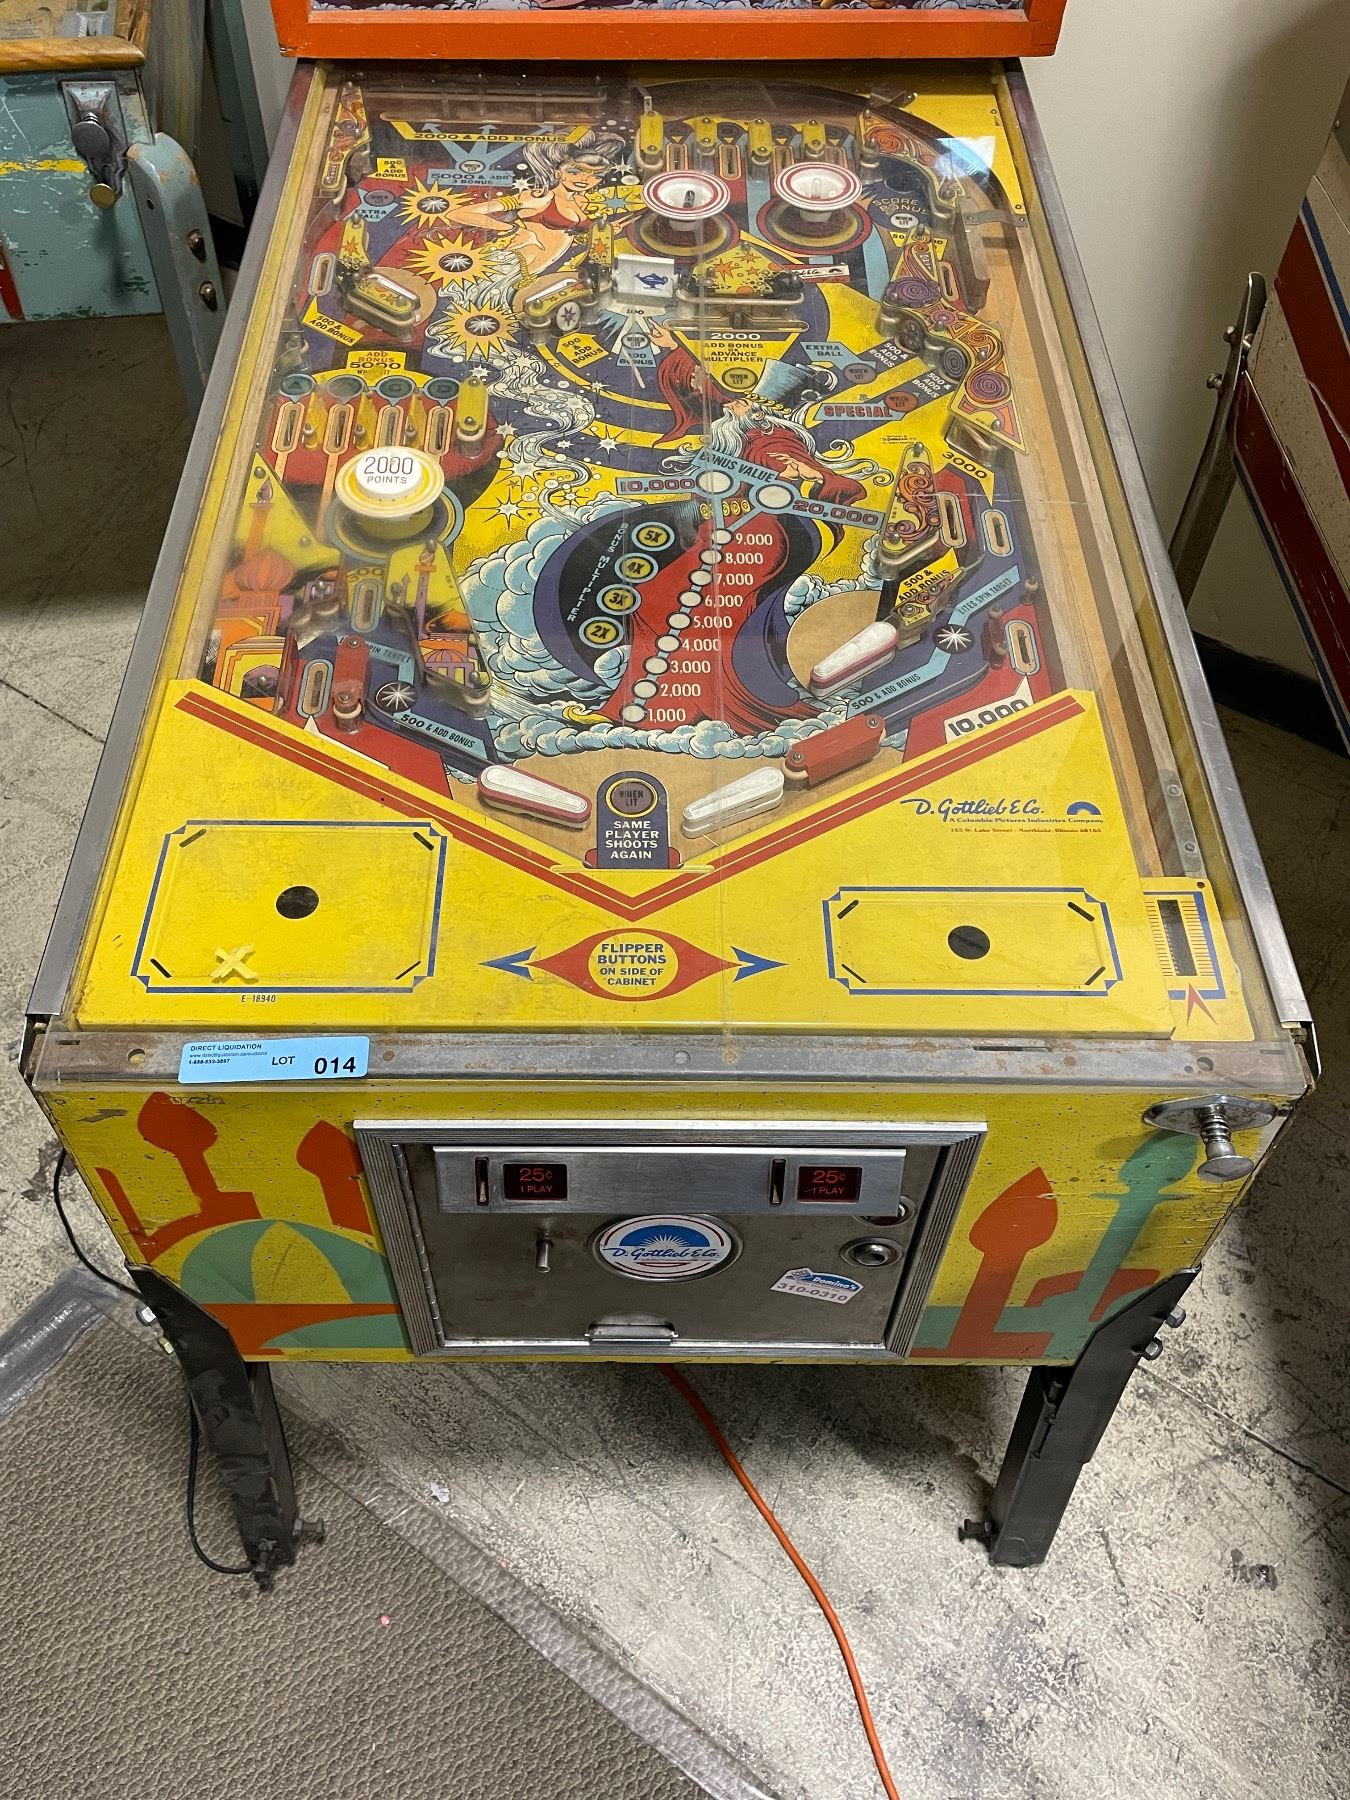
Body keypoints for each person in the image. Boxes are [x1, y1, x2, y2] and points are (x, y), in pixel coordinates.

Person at [439, 131, 627, 277]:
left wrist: (604, 229)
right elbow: (457, 214)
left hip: (537, 272)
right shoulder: (539, 196)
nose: (585, 180)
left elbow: (569, 235)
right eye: (575, 172)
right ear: (557, 172)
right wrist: (513, 230)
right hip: (508, 267)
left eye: (596, 175)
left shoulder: (579, 201)